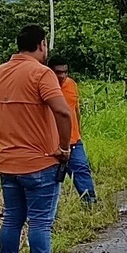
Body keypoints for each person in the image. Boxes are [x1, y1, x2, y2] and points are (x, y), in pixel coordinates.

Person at [0, 25, 80, 253]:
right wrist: (64, 147)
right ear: (42, 44)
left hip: (7, 161)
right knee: (40, 222)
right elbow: (62, 112)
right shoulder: (42, 73)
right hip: (40, 162)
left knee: (12, 220)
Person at [50, 58, 96, 205]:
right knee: (50, 178)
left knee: (82, 170)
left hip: (74, 140)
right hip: (53, 142)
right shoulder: (44, 87)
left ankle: (90, 204)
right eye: (58, 72)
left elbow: (75, 110)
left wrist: (79, 133)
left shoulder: (71, 84)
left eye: (65, 72)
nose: (62, 76)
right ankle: (51, 212)